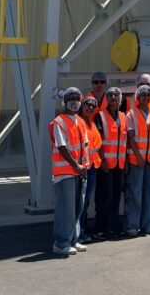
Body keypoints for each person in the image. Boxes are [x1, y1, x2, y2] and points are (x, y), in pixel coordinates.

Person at [50, 87, 89, 256]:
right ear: (64, 102)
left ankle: (73, 239)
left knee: (77, 207)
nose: (74, 101)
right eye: (71, 98)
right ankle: (61, 242)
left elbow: (85, 146)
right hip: (65, 171)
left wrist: (84, 166)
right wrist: (75, 165)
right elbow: (62, 147)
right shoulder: (59, 121)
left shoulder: (80, 121)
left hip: (79, 171)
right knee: (65, 208)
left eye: (77, 98)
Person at [124, 84, 150, 236]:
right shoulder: (131, 114)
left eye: (148, 95)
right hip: (137, 161)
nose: (146, 97)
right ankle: (132, 225)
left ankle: (148, 223)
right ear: (138, 98)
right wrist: (139, 157)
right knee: (135, 193)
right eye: (143, 95)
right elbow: (131, 139)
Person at [95, 86, 127, 237]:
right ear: (106, 99)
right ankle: (102, 228)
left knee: (116, 197)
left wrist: (125, 160)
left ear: (120, 99)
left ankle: (114, 226)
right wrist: (103, 160)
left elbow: (125, 141)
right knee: (104, 198)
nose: (113, 98)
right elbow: (99, 141)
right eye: (110, 96)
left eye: (116, 96)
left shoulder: (123, 116)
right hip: (106, 165)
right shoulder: (100, 116)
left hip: (119, 165)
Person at [78, 95, 102, 241]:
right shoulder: (79, 122)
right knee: (81, 201)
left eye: (93, 106)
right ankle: (79, 232)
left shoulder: (92, 123)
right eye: (88, 105)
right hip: (83, 168)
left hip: (93, 167)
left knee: (86, 201)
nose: (90, 108)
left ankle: (82, 229)